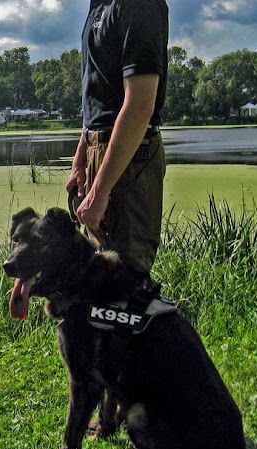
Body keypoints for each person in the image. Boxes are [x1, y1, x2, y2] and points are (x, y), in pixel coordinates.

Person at [66, 0, 169, 287]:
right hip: (99, 148)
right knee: (99, 272)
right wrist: (81, 156)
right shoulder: (98, 6)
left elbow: (139, 105)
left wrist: (100, 191)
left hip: (129, 152)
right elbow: (98, 93)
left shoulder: (138, 4)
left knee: (125, 274)